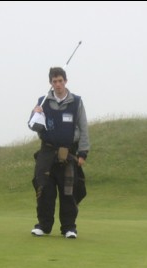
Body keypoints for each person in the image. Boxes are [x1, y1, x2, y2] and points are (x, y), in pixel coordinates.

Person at [28, 67, 89, 238]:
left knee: (68, 191)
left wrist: (83, 152)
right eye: (54, 81)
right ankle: (44, 226)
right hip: (47, 152)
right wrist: (35, 113)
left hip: (68, 152)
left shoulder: (76, 102)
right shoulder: (43, 101)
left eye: (60, 81)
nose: (58, 84)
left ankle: (69, 227)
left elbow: (83, 128)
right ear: (51, 83)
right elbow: (33, 126)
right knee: (44, 189)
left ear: (65, 81)